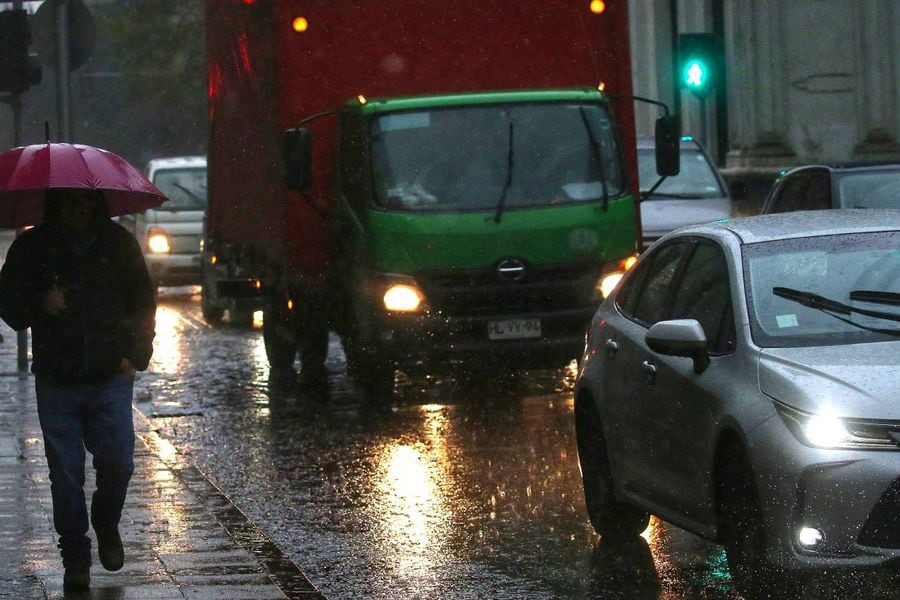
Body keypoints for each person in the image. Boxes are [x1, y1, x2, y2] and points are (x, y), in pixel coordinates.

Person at [0, 188, 156, 593]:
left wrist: (135, 354)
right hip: (57, 378)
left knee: (118, 463)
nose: (77, 209)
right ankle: (76, 556)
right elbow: (11, 308)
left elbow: (142, 298)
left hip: (110, 376)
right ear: (53, 205)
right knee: (65, 475)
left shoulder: (118, 243)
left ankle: (106, 521)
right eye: (67, 202)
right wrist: (41, 302)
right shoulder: (32, 247)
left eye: (83, 201)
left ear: (96, 202)